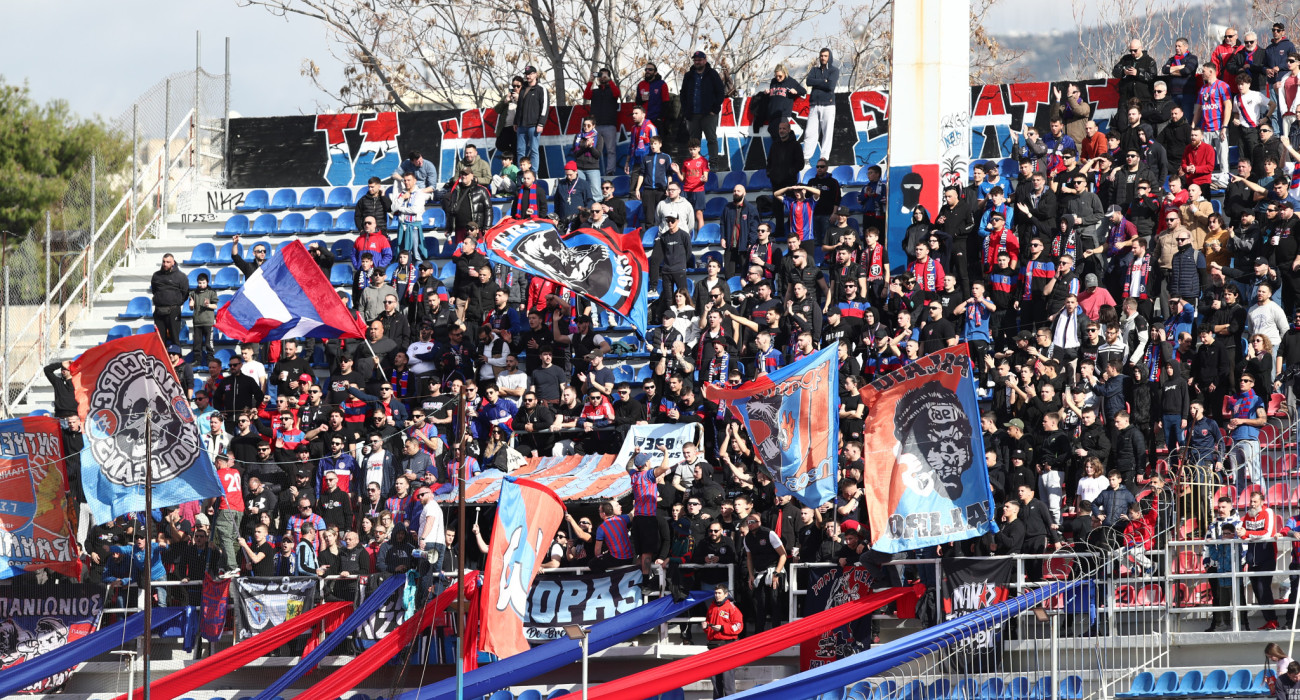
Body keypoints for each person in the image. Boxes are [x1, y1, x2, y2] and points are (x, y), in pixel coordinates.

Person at [680, 51, 726, 167]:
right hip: (692, 114)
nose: (697, 62)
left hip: (709, 114)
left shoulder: (712, 74)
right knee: (694, 141)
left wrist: (715, 109)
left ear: (705, 61)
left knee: (711, 139)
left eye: (699, 60)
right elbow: (683, 94)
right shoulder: (689, 75)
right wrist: (685, 110)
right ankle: (696, 164)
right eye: (695, 60)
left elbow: (721, 92)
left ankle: (713, 163)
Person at [704, 584, 743, 697]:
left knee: (727, 679)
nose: (717, 595)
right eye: (715, 593)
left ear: (726, 594)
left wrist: (722, 628)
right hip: (713, 646)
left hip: (727, 646)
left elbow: (738, 626)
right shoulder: (712, 607)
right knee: (715, 679)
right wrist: (706, 627)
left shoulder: (731, 608)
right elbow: (709, 626)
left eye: (719, 593)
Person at [583, 68, 621, 175]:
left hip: (609, 124)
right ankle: (593, 170)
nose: (602, 77)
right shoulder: (595, 91)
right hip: (596, 125)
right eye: (600, 75)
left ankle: (610, 171)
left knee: (611, 150)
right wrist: (591, 81)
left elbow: (617, 94)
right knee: (593, 148)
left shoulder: (612, 90)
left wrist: (609, 80)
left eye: (605, 75)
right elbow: (586, 96)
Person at [803, 48, 839, 162]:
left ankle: (824, 159)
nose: (823, 58)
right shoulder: (814, 70)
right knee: (809, 132)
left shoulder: (834, 70)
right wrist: (824, 81)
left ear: (829, 57)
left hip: (828, 105)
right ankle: (806, 159)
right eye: (821, 56)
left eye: (825, 56)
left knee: (827, 133)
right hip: (814, 104)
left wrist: (817, 82)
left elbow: (830, 86)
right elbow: (809, 81)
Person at [150, 253, 188, 349]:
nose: (165, 264)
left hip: (173, 311)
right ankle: (161, 358)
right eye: (164, 262)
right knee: (159, 339)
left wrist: (176, 302)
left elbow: (185, 293)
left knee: (175, 338)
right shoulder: (156, 275)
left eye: (168, 262)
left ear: (173, 262)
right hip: (159, 311)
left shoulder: (181, 276)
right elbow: (154, 291)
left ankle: (177, 357)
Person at [514, 65, 548, 170]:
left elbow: (545, 107)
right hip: (521, 125)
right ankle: (521, 173)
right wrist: (516, 121)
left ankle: (534, 173)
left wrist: (541, 123)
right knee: (520, 150)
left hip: (534, 125)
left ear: (535, 75)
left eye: (530, 74)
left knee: (534, 150)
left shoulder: (541, 88)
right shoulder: (523, 88)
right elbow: (519, 106)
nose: (528, 76)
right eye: (526, 74)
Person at [1113, 38, 1158, 103]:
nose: (1133, 53)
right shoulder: (1125, 59)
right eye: (1131, 50)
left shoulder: (1149, 61)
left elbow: (1153, 77)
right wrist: (1124, 72)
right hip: (1126, 98)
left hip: (1143, 99)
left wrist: (1138, 73)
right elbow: (1115, 71)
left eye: (1135, 50)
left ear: (1141, 48)